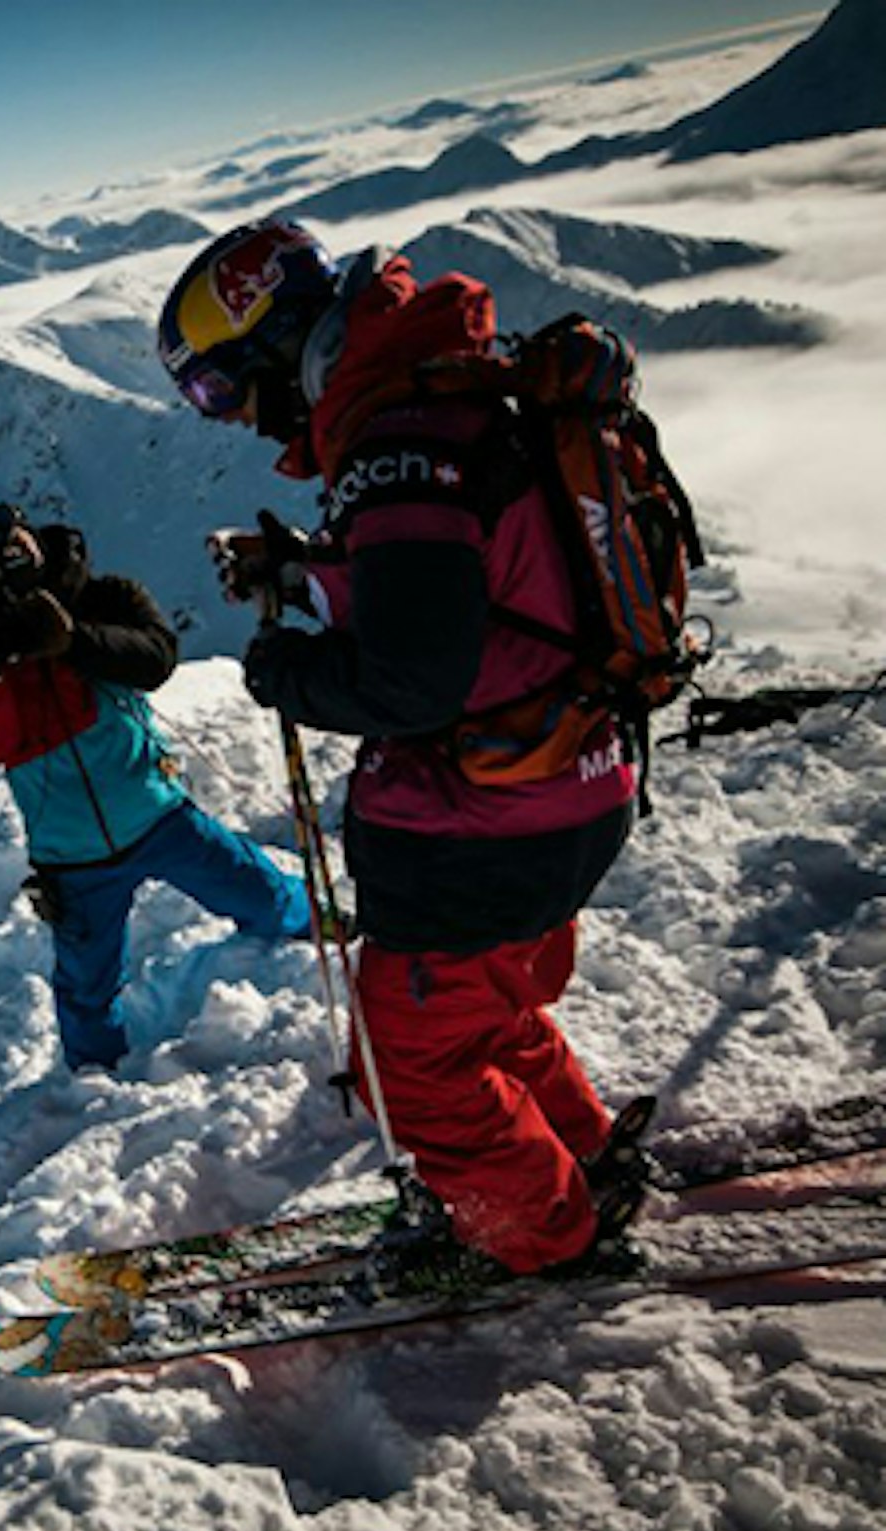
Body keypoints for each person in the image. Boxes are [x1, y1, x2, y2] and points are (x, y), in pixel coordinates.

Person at [155, 218, 640, 1274]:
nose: (233, 420)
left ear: (276, 342)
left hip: (483, 823)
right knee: (488, 1017)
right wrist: (314, 574)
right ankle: (580, 1158)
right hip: (570, 782)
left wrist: (287, 674)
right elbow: (470, 586)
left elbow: (411, 678)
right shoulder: (448, 399)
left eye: (222, 389)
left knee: (413, 1064)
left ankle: (541, 1235)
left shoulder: (393, 446)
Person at [0, 499, 310, 1075]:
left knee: (257, 890)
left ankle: (325, 927)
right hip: (72, 853)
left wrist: (73, 641)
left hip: (153, 811)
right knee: (87, 988)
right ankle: (96, 1082)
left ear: (32, 533)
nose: (12, 554)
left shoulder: (103, 596)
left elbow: (155, 659)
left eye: (14, 538)